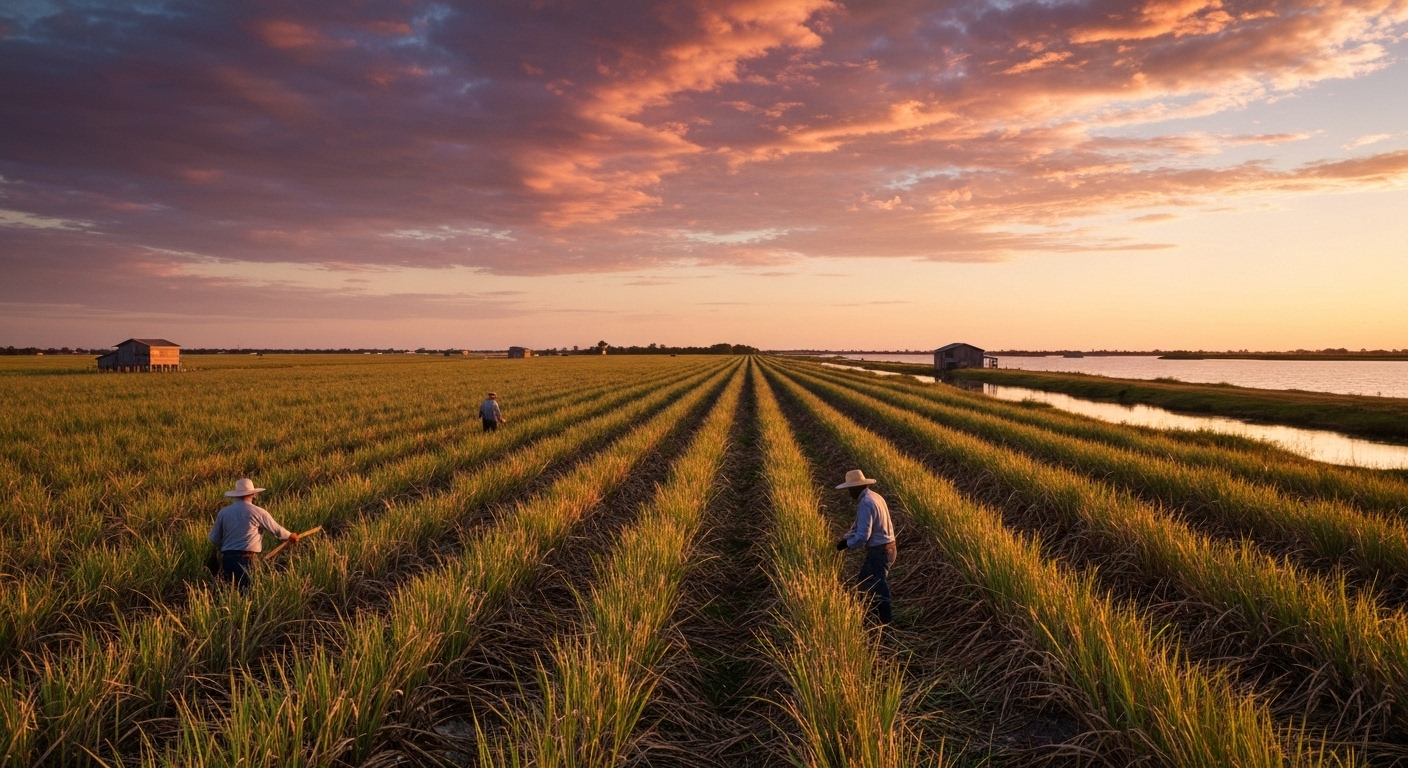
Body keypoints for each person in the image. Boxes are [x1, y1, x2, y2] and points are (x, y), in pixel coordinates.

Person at [208, 478, 298, 589]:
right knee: (248, 592)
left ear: (236, 495)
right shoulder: (258, 512)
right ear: (253, 494)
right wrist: (290, 536)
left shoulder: (224, 513)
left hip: (228, 559)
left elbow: (213, 537)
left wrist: (228, 547)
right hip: (247, 560)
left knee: (228, 592)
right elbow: (276, 530)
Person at [834, 469, 896, 624]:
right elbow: (859, 525)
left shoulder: (866, 503)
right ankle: (872, 616)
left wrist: (848, 545)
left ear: (856, 488)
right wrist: (846, 537)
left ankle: (884, 622)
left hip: (880, 550)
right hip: (887, 548)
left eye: (849, 489)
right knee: (867, 582)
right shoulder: (874, 497)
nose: (849, 493)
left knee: (875, 584)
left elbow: (863, 535)